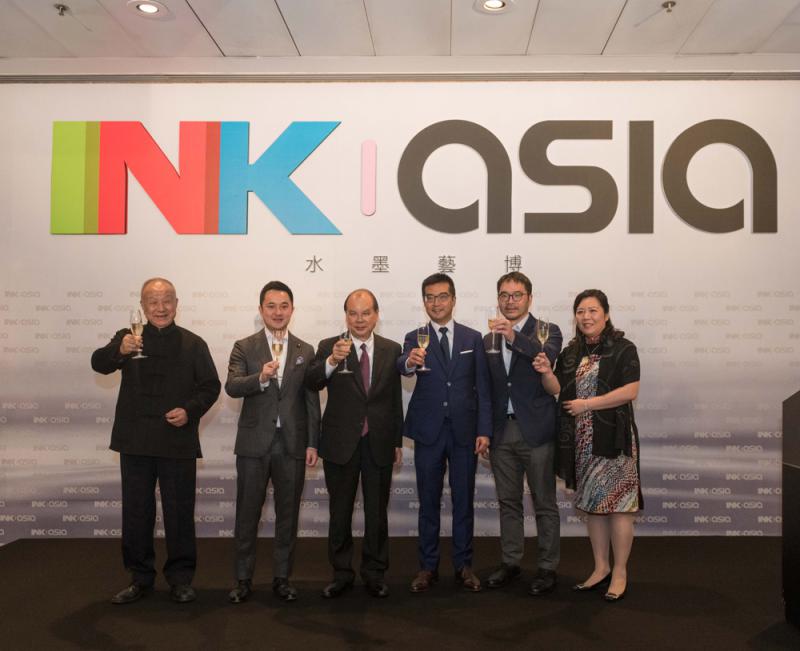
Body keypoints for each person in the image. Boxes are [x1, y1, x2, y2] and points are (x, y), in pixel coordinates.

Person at [91, 278, 221, 604]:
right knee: (136, 513)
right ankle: (139, 578)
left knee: (179, 513)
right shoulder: (128, 338)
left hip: (176, 441)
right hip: (135, 441)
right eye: (153, 301)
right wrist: (118, 351)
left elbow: (210, 386)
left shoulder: (194, 343)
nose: (160, 308)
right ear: (142, 306)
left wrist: (189, 410)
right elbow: (99, 363)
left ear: (177, 304)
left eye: (167, 301)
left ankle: (180, 579)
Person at [534, 288, 642, 603]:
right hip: (581, 441)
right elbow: (556, 388)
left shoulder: (623, 348)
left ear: (606, 314)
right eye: (580, 311)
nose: (586, 317)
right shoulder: (571, 352)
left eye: (593, 310)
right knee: (593, 506)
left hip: (614, 439)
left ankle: (619, 572)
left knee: (619, 508)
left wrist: (587, 405)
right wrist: (545, 371)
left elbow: (630, 391)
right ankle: (600, 567)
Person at [225, 281, 320, 603]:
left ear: (292, 309)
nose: (278, 312)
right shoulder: (244, 347)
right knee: (247, 514)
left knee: (288, 516)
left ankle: (282, 578)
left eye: (283, 306)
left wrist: (312, 443)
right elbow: (232, 386)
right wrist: (261, 378)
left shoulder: (305, 350)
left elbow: (311, 401)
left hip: (292, 444)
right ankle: (242, 579)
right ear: (261, 309)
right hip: (254, 444)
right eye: (271, 306)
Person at [306, 289, 403, 599]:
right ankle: (341, 573)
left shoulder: (392, 348)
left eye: (365, 313)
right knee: (340, 513)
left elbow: (394, 399)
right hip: (340, 443)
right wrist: (332, 361)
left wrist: (397, 441)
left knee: (377, 514)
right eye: (353, 313)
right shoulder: (329, 346)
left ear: (376, 315)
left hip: (379, 441)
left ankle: (375, 572)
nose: (359, 319)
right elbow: (312, 381)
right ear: (345, 316)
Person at [398, 273, 492, 593]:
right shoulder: (415, 337)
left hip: (465, 432)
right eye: (429, 297)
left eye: (441, 297)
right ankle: (428, 567)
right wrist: (409, 362)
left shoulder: (472, 338)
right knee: (428, 502)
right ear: (423, 301)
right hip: (429, 432)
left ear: (453, 299)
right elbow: (402, 364)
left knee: (464, 501)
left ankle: (464, 566)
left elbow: (483, 388)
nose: (435, 303)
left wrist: (484, 430)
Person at [484, 272, 563, 596]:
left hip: (537, 430)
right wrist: (484, 431)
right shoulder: (488, 339)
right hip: (501, 432)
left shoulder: (547, 331)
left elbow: (545, 357)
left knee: (544, 502)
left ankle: (547, 567)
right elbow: (486, 390)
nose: (510, 301)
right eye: (504, 295)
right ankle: (511, 561)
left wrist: (514, 337)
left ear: (530, 298)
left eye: (517, 295)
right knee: (508, 502)